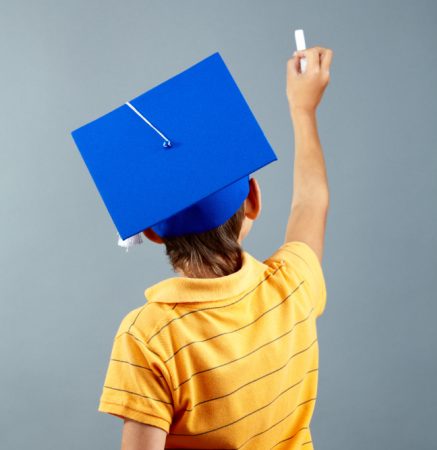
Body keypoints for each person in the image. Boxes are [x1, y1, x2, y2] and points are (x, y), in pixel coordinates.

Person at [98, 46, 333, 449]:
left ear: (153, 233)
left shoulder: (150, 337)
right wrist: (302, 108)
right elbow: (312, 201)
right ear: (254, 199)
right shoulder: (292, 287)